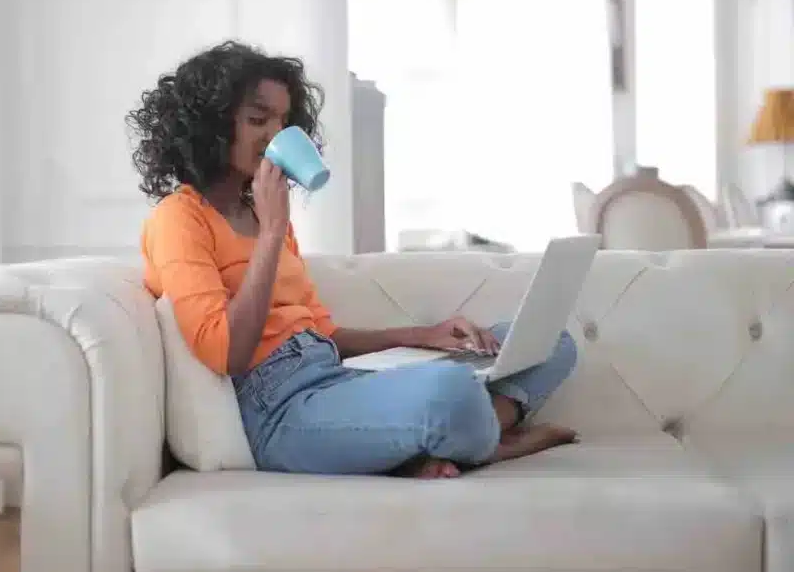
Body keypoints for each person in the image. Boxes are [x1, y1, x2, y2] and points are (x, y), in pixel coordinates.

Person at [128, 41, 578, 478]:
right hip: (278, 412)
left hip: (333, 378)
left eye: (284, 121)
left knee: (550, 342)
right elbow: (227, 353)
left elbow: (322, 333)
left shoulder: (266, 216)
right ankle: (490, 440)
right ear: (211, 126)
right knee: (450, 393)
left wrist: (425, 334)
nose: (275, 136)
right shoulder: (179, 219)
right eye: (257, 119)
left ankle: (457, 437)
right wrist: (269, 233)